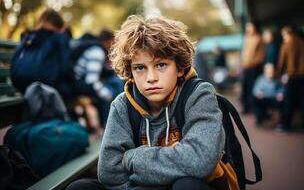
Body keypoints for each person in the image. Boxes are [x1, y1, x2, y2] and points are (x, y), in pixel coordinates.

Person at [66, 15, 225, 190]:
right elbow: (108, 172)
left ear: (179, 68)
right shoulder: (122, 105)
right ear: (131, 72)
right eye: (140, 68)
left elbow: (199, 161)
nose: (151, 78)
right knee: (79, 187)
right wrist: (174, 162)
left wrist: (131, 158)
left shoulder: (198, 95)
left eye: (161, 65)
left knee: (188, 185)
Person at [69, 30, 123, 129]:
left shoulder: (92, 48)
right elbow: (92, 81)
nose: (114, 48)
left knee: (114, 82)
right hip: (76, 86)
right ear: (108, 41)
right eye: (114, 43)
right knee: (114, 87)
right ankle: (111, 126)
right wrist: (107, 95)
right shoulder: (97, 52)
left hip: (75, 83)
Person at [11, 8, 70, 93]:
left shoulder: (28, 36)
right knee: (80, 91)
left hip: (20, 83)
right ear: (59, 25)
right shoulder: (58, 37)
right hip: (45, 84)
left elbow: (14, 63)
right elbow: (65, 68)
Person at [276, 26, 304, 132]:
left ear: (287, 34)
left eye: (284, 35)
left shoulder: (286, 45)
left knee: (289, 102)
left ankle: (286, 125)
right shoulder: (302, 42)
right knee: (302, 102)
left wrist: (279, 74)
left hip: (292, 76)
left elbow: (282, 63)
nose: (283, 37)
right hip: (302, 76)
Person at [240, 22, 265, 113]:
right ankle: (246, 107)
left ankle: (254, 109)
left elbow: (261, 55)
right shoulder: (247, 38)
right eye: (247, 27)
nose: (248, 28)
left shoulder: (259, 38)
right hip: (246, 67)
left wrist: (253, 63)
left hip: (254, 68)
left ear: (254, 27)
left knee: (252, 88)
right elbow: (244, 53)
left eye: (250, 26)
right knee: (245, 87)